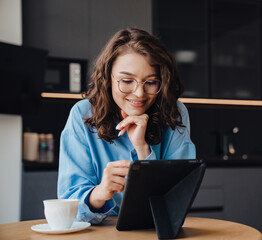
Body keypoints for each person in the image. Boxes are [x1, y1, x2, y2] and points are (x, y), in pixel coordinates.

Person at [57, 28, 196, 224]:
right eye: (127, 81)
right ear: (108, 78)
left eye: (151, 82)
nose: (139, 93)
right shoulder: (83, 114)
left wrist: (142, 148)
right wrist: (100, 193)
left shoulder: (174, 112)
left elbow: (177, 199)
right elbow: (69, 205)